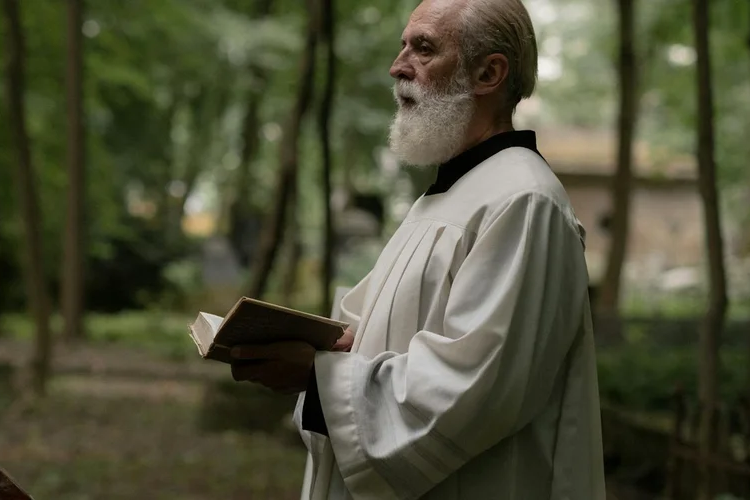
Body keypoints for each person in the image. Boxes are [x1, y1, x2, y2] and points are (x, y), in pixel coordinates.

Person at [229, 0, 607, 498]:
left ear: (488, 73)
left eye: (423, 48)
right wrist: (338, 342)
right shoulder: (448, 196)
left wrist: (320, 380)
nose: (397, 65)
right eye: (403, 45)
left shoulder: (523, 200)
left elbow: (477, 385)